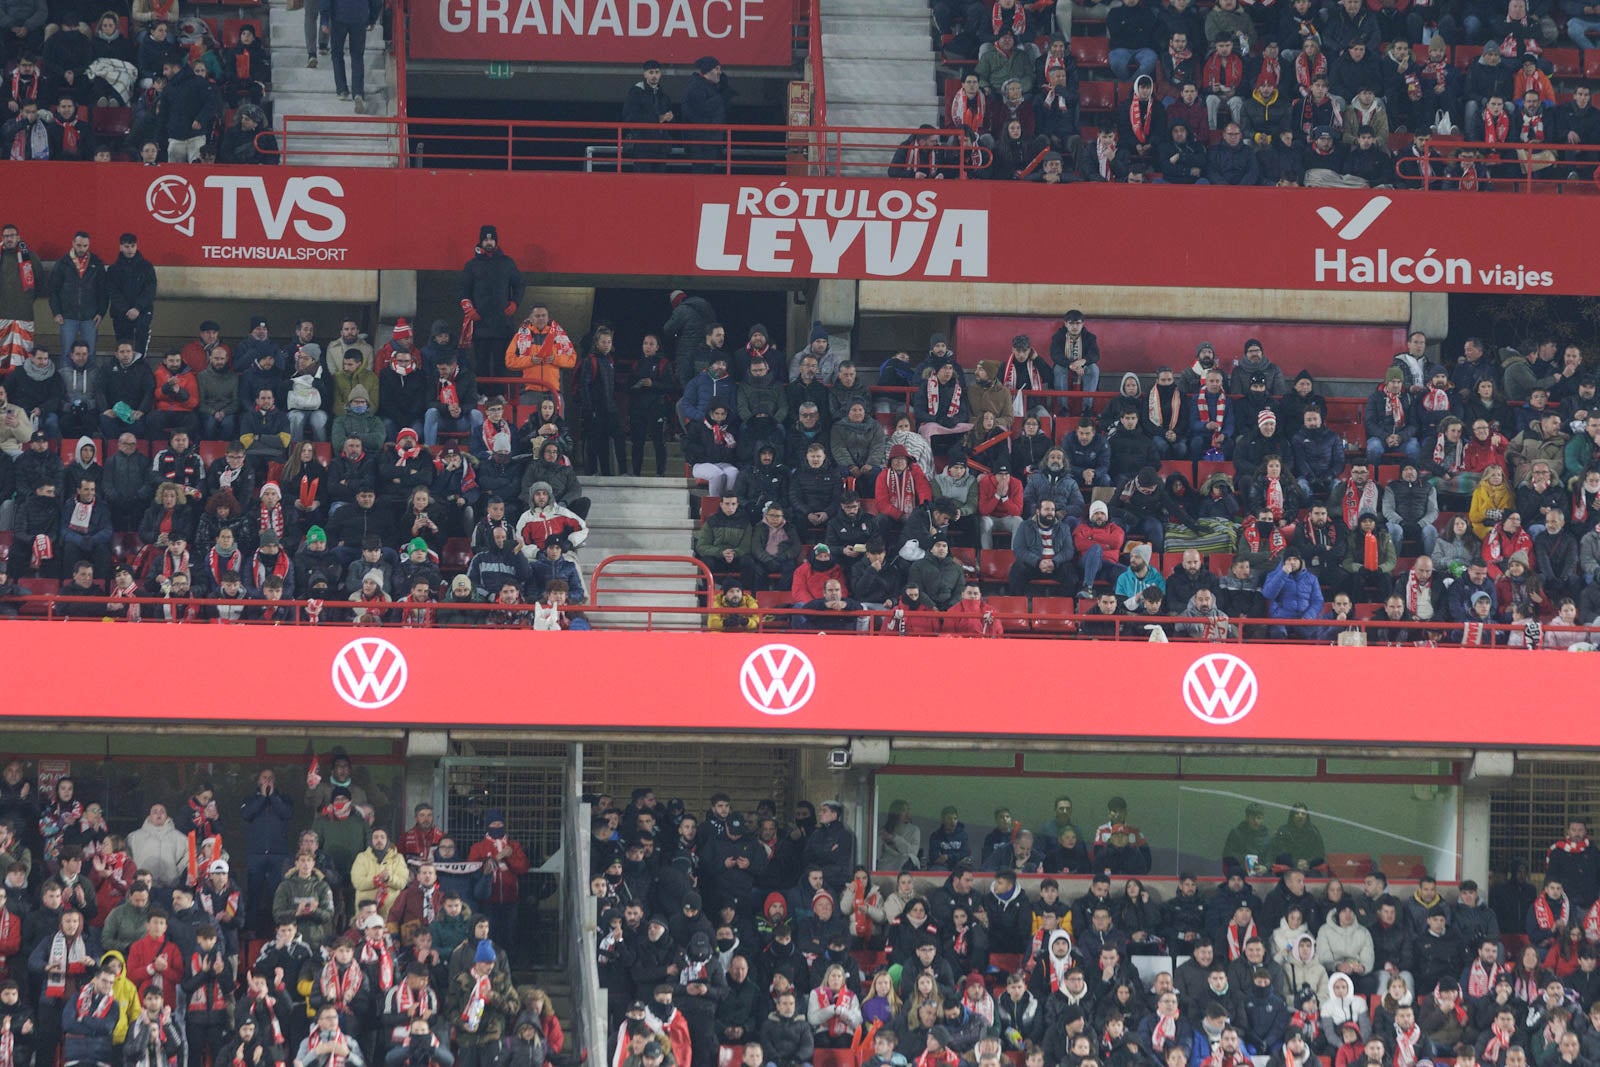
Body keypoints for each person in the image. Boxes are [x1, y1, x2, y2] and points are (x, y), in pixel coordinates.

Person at [459, 226, 525, 379]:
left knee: (500, 364)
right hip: (480, 325)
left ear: (496, 241)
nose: (489, 242)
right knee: (481, 364)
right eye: (486, 239)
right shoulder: (471, 265)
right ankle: (482, 395)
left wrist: (515, 303)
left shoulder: (507, 263)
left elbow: (520, 284)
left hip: (502, 325)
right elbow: (463, 290)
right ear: (481, 242)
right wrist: (470, 310)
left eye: (491, 239)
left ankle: (499, 396)